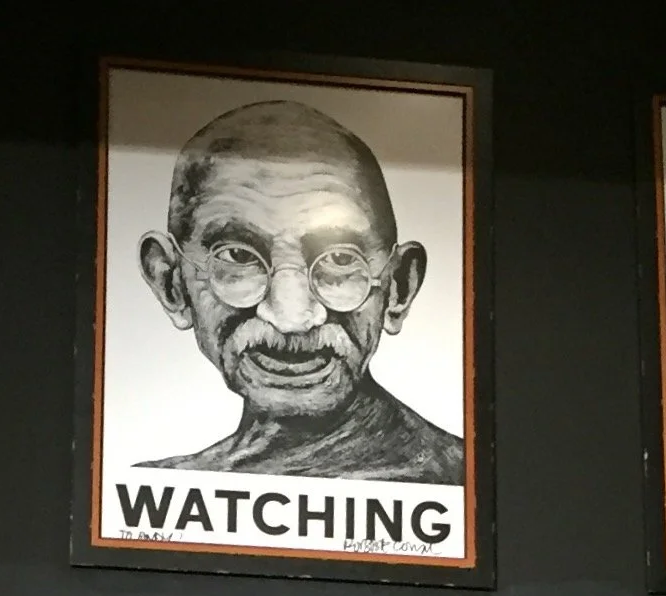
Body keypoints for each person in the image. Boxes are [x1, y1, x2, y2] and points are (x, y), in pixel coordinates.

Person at [132, 100, 465, 486]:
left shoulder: (455, 482)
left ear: (398, 287)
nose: (290, 317)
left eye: (340, 259)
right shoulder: (160, 488)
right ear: (171, 283)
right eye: (238, 256)